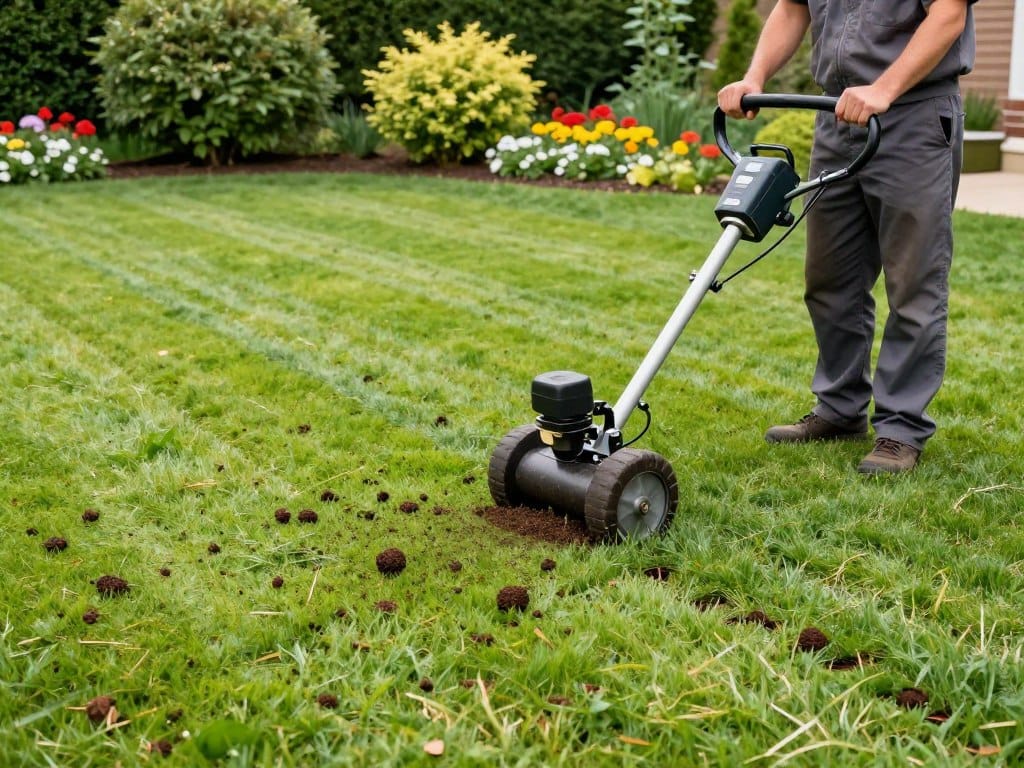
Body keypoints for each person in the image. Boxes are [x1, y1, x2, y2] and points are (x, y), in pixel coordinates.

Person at [718, 0, 977, 474]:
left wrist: (884, 88)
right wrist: (754, 78)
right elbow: (792, 8)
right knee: (830, 277)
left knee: (913, 282)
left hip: (913, 118)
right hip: (836, 118)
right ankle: (839, 409)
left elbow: (948, 16)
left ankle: (900, 428)